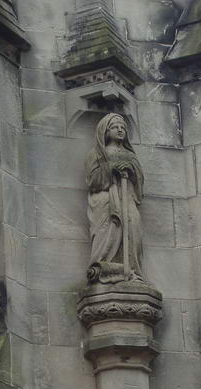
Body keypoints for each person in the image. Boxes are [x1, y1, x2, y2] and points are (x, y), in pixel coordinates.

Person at [85, 113, 144, 283]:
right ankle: (102, 270)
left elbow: (140, 182)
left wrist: (131, 171)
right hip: (106, 201)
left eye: (123, 127)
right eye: (115, 127)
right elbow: (93, 181)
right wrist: (111, 169)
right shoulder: (96, 154)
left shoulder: (131, 156)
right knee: (107, 232)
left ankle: (132, 271)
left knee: (133, 229)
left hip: (127, 199)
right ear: (105, 131)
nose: (120, 130)